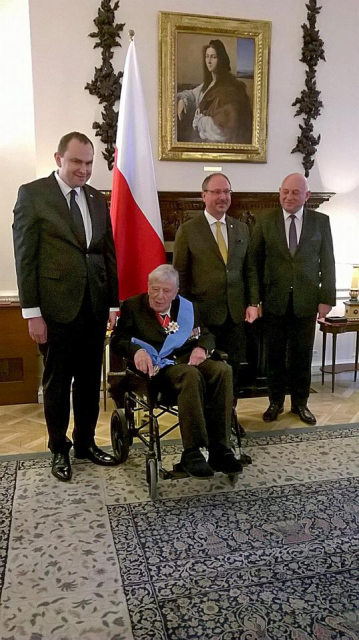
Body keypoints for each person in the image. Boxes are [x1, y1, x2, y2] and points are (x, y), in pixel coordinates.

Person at [12, 131, 120, 482]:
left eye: (88, 163)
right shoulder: (33, 194)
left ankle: (86, 443)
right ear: (59, 159)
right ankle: (59, 447)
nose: (83, 170)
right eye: (76, 162)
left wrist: (113, 304)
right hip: (55, 310)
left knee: (90, 381)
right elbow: (25, 258)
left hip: (93, 308)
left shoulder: (96, 198)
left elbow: (107, 255)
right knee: (58, 383)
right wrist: (32, 313)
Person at [111, 264, 242, 478]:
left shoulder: (188, 308)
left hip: (188, 360)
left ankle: (220, 450)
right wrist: (136, 351)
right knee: (190, 375)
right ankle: (193, 452)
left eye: (166, 291)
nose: (159, 296)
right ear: (148, 286)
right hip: (158, 370)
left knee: (222, 370)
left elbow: (206, 334)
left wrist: (202, 348)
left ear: (176, 292)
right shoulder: (133, 307)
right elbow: (118, 340)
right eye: (155, 289)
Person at [249, 173, 336, 425]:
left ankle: (300, 404)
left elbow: (327, 262)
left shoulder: (321, 222)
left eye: (295, 192)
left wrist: (326, 298)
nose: (289, 196)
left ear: (306, 196)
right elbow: (254, 264)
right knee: (274, 355)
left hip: (306, 301)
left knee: (302, 355)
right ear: (279, 192)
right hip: (273, 301)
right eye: (285, 191)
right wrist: (255, 300)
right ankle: (275, 402)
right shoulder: (265, 222)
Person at [173, 172, 259, 407]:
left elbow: (249, 270)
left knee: (233, 370)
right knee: (204, 369)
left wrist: (253, 303)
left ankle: (228, 417)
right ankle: (206, 419)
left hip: (235, 315)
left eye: (227, 192)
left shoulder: (241, 229)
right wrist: (186, 316)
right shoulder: (189, 230)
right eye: (217, 192)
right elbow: (179, 275)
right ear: (204, 196)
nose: (223, 197)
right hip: (203, 316)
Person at [177, 39, 252, 144]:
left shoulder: (229, 88)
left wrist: (200, 121)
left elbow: (224, 130)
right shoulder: (209, 84)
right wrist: (183, 100)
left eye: (213, 57)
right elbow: (192, 94)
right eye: (207, 56)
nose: (209, 61)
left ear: (221, 59)